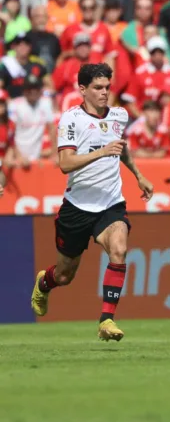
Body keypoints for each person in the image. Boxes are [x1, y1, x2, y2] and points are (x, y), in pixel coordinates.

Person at [30, 63, 154, 341]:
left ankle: (106, 320)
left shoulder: (119, 116)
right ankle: (43, 282)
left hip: (110, 203)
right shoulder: (71, 119)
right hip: (77, 208)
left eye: (107, 87)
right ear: (82, 89)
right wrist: (102, 152)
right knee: (64, 276)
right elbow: (65, 163)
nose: (104, 93)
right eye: (98, 88)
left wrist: (138, 175)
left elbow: (121, 149)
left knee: (119, 250)